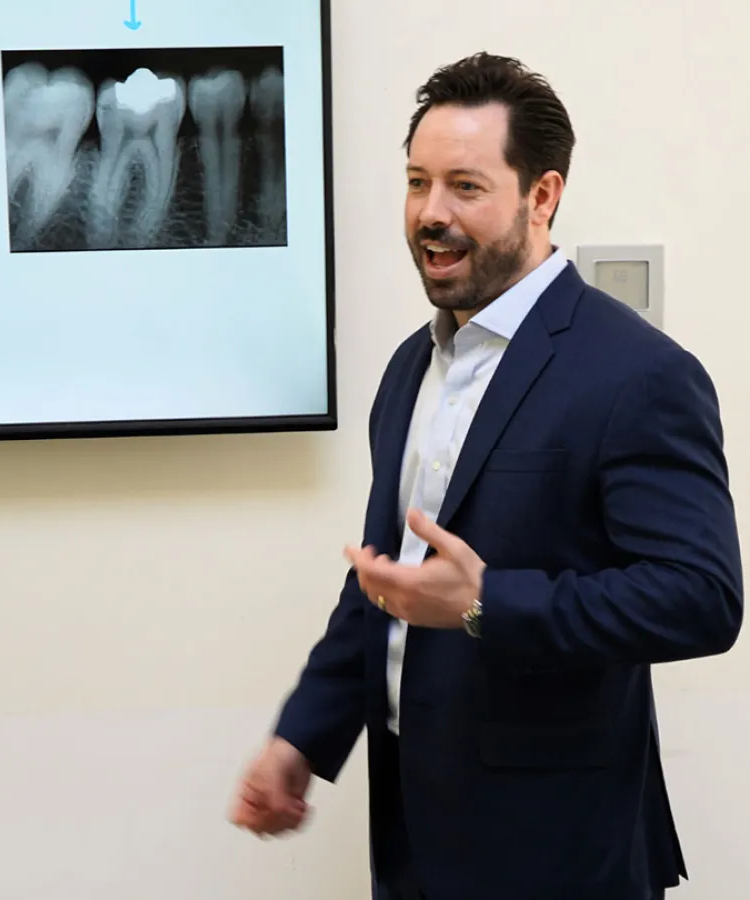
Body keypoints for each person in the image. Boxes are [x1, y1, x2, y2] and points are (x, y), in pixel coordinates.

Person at [228, 52, 744, 900]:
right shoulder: (407, 369)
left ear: (542, 197)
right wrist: (303, 741)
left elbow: (700, 598)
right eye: (417, 182)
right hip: (414, 841)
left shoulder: (638, 374)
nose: (431, 214)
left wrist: (484, 603)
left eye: (465, 186)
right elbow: (385, 587)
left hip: (563, 855)